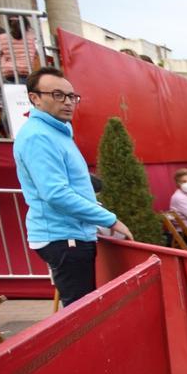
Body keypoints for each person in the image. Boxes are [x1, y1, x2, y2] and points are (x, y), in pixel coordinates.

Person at [14, 66, 133, 306]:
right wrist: (109, 219)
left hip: (72, 234)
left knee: (83, 307)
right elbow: (56, 193)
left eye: (71, 96)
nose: (68, 102)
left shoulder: (56, 131)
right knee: (81, 312)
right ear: (34, 98)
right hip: (64, 236)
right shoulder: (39, 136)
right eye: (57, 95)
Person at [0, 16, 43, 82]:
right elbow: (40, 53)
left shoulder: (2, 38)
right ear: (26, 24)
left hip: (9, 71)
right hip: (27, 69)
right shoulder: (32, 38)